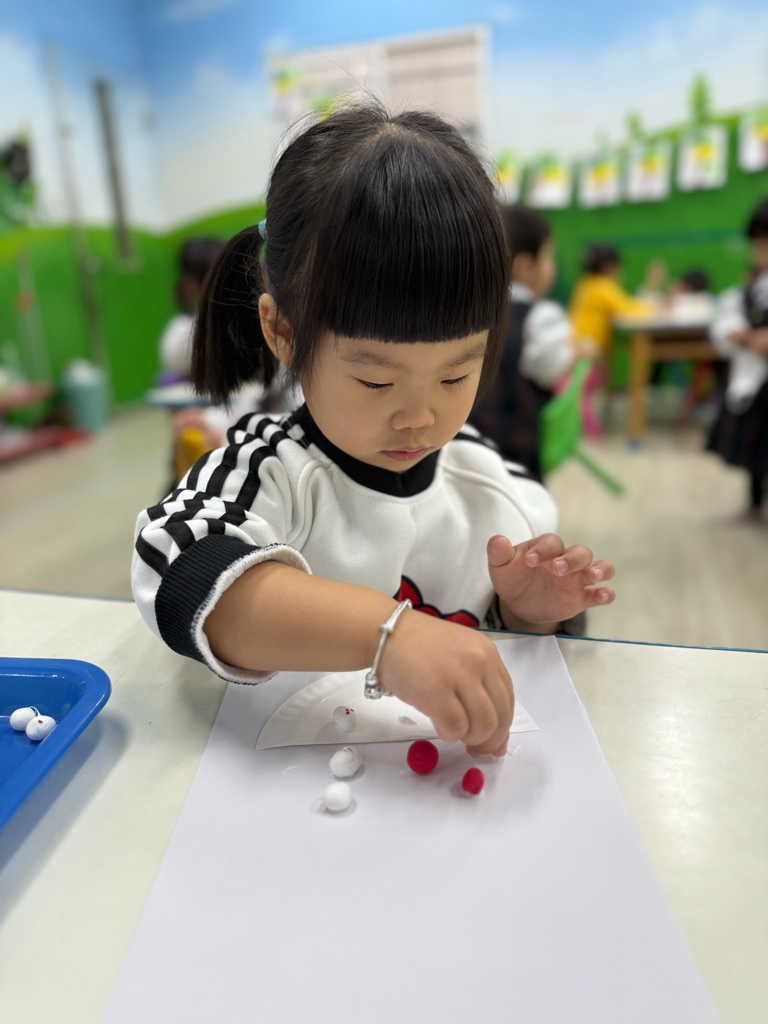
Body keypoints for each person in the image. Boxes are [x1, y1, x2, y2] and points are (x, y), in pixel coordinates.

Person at [132, 105, 616, 759]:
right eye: (376, 382)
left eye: (455, 375)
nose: (419, 417)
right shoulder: (268, 472)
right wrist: (389, 636)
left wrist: (526, 614)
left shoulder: (490, 483)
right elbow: (177, 570)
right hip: (288, 788)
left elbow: (516, 656)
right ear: (281, 332)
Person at [470, 204, 589, 480]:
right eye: (549, 256)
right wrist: (576, 353)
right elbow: (549, 370)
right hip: (516, 445)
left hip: (467, 442)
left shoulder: (471, 312)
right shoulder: (541, 316)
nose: (552, 266)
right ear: (525, 266)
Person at [707, 198, 768, 521]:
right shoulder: (752, 286)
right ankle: (755, 503)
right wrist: (742, 336)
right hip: (757, 383)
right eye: (757, 245)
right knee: (757, 447)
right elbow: (726, 320)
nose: (760, 253)